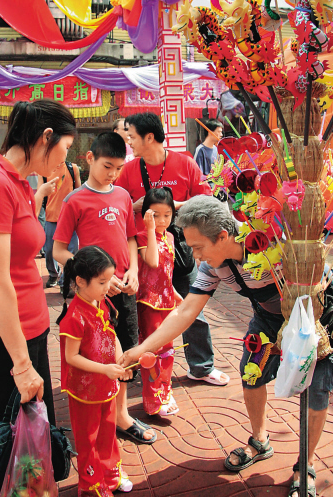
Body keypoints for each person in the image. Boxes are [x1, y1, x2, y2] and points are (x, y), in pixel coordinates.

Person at [118, 196, 333, 497]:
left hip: (311, 313)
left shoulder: (271, 247)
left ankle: (307, 463)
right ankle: (260, 441)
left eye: (198, 248)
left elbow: (317, 280)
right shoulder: (214, 266)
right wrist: (139, 349)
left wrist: (305, 334)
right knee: (251, 374)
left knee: (317, 387)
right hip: (266, 314)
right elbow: (186, 312)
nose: (195, 258)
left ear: (223, 236)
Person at [0, 100, 77, 497]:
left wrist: (42, 195)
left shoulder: (16, 184)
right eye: (65, 147)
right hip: (1, 345)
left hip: (24, 337)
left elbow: (19, 252)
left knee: (26, 456)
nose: (67, 158)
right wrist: (23, 365)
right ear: (45, 137)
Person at [53, 132, 156, 444]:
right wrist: (96, 275)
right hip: (91, 297)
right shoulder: (75, 200)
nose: (112, 173)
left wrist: (135, 271)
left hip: (123, 288)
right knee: (94, 356)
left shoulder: (123, 196)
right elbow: (58, 250)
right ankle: (95, 415)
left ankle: (121, 415)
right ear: (90, 159)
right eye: (107, 166)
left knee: (123, 353)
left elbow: (130, 239)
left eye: (118, 168)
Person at [116, 112, 229, 386]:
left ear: (149, 137)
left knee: (193, 307)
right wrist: (135, 207)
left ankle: (201, 366)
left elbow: (205, 201)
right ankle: (152, 376)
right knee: (149, 314)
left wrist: (170, 208)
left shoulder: (184, 163)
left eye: (132, 137)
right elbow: (118, 205)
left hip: (181, 247)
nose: (129, 143)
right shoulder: (130, 170)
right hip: (147, 254)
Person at [57, 246, 133, 497]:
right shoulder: (75, 317)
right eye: (102, 282)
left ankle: (110, 474)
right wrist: (105, 369)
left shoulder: (102, 302)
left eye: (108, 280)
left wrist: (122, 360)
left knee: (108, 433)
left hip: (106, 385)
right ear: (80, 281)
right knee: (88, 438)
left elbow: (111, 334)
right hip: (85, 391)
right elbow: (71, 357)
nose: (107, 287)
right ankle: (91, 486)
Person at [137, 187, 182, 416]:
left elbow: (166, 270)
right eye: (155, 214)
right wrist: (150, 229)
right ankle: (153, 400)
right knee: (151, 351)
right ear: (146, 214)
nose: (162, 220)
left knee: (168, 349)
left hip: (166, 302)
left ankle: (165, 392)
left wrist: (173, 292)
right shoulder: (143, 236)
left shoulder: (171, 237)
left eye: (167, 214)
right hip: (149, 303)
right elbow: (153, 262)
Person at [39, 161, 81, 289]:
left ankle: (65, 280)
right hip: (51, 217)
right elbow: (41, 194)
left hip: (70, 218)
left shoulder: (72, 168)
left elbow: (78, 191)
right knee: (50, 250)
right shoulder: (44, 170)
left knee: (72, 250)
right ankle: (53, 274)